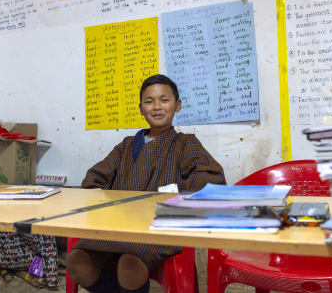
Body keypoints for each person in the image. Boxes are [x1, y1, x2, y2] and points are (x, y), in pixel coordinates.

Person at [66, 74, 226, 293]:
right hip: (118, 224)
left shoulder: (185, 143)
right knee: (77, 260)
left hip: (160, 224)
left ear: (177, 105)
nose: (157, 107)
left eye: (164, 100)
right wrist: (95, 193)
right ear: (141, 108)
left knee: (129, 264)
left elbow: (211, 177)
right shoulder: (127, 145)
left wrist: (168, 193)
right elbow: (97, 175)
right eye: (149, 101)